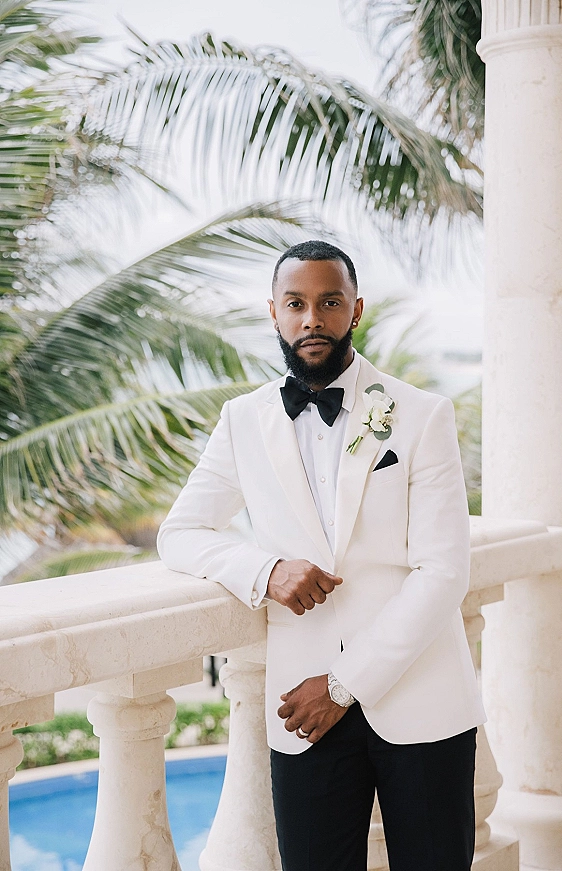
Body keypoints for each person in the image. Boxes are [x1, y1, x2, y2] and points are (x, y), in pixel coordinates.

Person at [157, 240, 486, 871]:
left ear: (354, 310)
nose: (313, 319)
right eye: (297, 303)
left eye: (329, 302)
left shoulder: (420, 415)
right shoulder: (242, 420)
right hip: (303, 718)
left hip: (421, 700)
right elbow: (182, 532)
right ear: (274, 314)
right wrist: (265, 571)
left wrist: (341, 686)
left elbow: (444, 571)